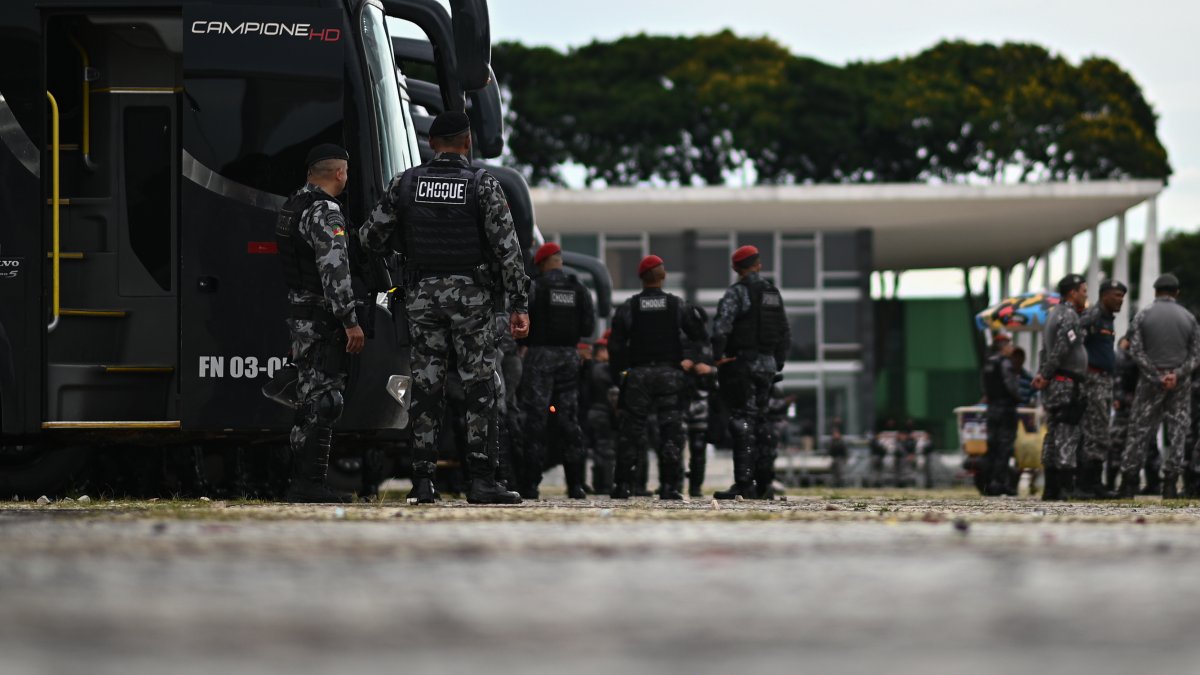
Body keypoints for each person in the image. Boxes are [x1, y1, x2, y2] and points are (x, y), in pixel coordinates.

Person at [360, 111, 526, 505]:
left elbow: (369, 237)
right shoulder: (483, 184)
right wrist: (518, 302)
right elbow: (508, 249)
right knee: (479, 385)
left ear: (432, 144)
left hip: (421, 296)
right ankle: (482, 481)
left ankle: (422, 482)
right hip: (472, 297)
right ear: (467, 142)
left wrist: (397, 257)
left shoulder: (406, 183)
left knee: (426, 387)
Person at [275, 144, 364, 503]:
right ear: (339, 173)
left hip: (300, 314)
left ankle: (301, 480)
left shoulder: (293, 204)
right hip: (322, 317)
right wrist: (349, 320)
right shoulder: (326, 212)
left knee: (308, 397)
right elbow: (334, 271)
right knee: (325, 398)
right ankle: (309, 483)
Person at [607, 255, 707, 499]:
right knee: (671, 430)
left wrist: (621, 374)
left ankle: (622, 485)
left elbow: (616, 345)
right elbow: (700, 335)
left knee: (631, 433)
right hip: (670, 374)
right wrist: (690, 360)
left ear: (641, 278)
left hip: (638, 375)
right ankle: (670, 487)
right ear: (663, 276)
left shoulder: (629, 307)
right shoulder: (677, 305)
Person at [710, 245, 791, 500]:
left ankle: (744, 484)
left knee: (743, 422)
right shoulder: (773, 294)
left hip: (743, 365)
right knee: (763, 422)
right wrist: (777, 362)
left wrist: (718, 358)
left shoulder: (737, 293)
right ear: (758, 264)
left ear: (736, 269)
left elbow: (721, 328)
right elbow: (783, 331)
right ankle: (766, 483)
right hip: (766, 366)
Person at [516, 242, 595, 499]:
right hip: (569, 358)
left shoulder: (535, 286)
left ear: (541, 262)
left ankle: (530, 485)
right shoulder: (578, 288)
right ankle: (576, 485)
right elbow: (587, 327)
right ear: (559, 261)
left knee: (534, 421)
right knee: (569, 421)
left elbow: (520, 321)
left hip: (539, 357)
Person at [1117, 274, 1200, 499]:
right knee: (1178, 433)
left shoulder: (1142, 316)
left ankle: (1128, 483)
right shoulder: (1189, 318)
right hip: (1179, 385)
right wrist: (1176, 374)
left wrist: (1155, 375)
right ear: (1177, 292)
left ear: (1155, 292)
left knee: (1139, 432)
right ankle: (1170, 485)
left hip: (1148, 384)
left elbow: (1134, 350)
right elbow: (1196, 355)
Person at [1032, 274, 1089, 501]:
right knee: (1067, 430)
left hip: (1056, 383)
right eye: (1083, 290)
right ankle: (1065, 487)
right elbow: (1061, 349)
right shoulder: (1068, 315)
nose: (1086, 295)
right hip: (1066, 383)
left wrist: (1042, 374)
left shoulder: (1052, 314)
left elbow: (1045, 351)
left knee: (1054, 432)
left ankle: (1051, 487)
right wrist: (1046, 374)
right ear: (1073, 293)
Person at [1075, 280, 1126, 499]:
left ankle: (1093, 483)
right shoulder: (1092, 317)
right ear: (1104, 296)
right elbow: (1076, 344)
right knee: (1095, 433)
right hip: (1092, 381)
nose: (1121, 300)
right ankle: (1088, 484)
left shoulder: (1107, 318)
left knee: (1100, 433)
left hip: (1104, 381)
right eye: (1116, 295)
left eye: (1123, 296)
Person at [683, 307, 717, 497]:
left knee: (698, 447)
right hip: (680, 396)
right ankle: (671, 485)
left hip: (702, 398)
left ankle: (695, 487)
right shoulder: (676, 342)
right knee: (672, 443)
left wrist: (710, 370)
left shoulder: (709, 345)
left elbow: (722, 368)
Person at [981, 333, 1020, 496]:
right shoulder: (1005, 363)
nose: (1011, 348)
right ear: (1003, 346)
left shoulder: (988, 363)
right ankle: (999, 482)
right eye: (1009, 345)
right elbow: (1011, 385)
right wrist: (1019, 398)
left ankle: (987, 482)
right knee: (1004, 446)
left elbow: (984, 386)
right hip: (1006, 409)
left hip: (992, 409)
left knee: (992, 445)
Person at [584, 335, 618, 494]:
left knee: (598, 450)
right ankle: (605, 484)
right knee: (605, 450)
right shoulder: (603, 369)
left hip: (592, 412)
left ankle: (600, 483)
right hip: (602, 412)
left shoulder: (589, 367)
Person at [1107, 335, 1139, 490]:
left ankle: (1114, 483)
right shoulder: (1126, 356)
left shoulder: (1125, 356)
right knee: (1122, 445)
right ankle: (1123, 483)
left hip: (1128, 406)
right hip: (1129, 405)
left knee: (1118, 445)